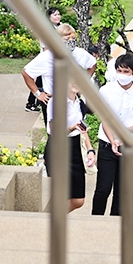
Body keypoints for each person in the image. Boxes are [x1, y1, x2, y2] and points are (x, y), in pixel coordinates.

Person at [91, 52, 133, 216]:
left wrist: (127, 132)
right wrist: (113, 140)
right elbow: (105, 119)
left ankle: (115, 222)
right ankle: (95, 219)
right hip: (107, 144)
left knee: (122, 191)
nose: (122, 75)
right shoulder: (106, 90)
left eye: (126, 72)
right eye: (119, 71)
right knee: (103, 188)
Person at [22, 21, 96, 113]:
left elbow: (92, 64)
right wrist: (38, 94)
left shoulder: (79, 53)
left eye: (73, 38)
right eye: (67, 38)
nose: (71, 41)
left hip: (73, 99)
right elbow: (26, 73)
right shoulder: (47, 57)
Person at [44, 80, 90, 212]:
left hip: (75, 149)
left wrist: (90, 150)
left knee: (78, 200)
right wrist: (71, 128)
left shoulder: (80, 102)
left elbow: (83, 129)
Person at [24, 7, 64, 112]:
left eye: (59, 14)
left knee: (40, 83)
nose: (58, 16)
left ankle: (32, 102)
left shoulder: (61, 27)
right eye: (55, 15)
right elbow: (45, 48)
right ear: (49, 17)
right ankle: (32, 102)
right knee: (39, 83)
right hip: (47, 61)